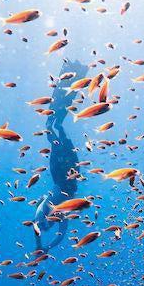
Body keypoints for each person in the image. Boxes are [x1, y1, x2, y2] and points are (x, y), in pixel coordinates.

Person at [33, 59, 88, 252]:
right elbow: (42, 223)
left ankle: (74, 76)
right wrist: (42, 245)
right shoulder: (56, 210)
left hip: (70, 165)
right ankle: (72, 77)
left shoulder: (55, 209)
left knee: (56, 126)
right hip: (64, 167)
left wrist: (42, 245)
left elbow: (47, 227)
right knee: (52, 126)